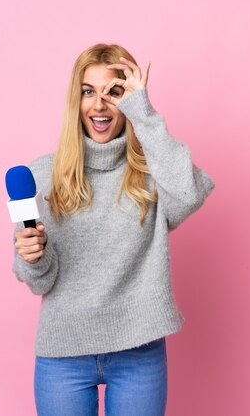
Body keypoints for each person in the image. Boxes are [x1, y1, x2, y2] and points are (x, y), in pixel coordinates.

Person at [12, 43, 214, 416]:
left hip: (139, 351)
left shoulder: (153, 174)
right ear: (76, 101)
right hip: (64, 354)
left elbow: (189, 191)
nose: (100, 105)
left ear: (129, 101)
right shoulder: (44, 173)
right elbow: (39, 280)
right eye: (88, 92)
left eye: (114, 93)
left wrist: (144, 113)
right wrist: (34, 256)